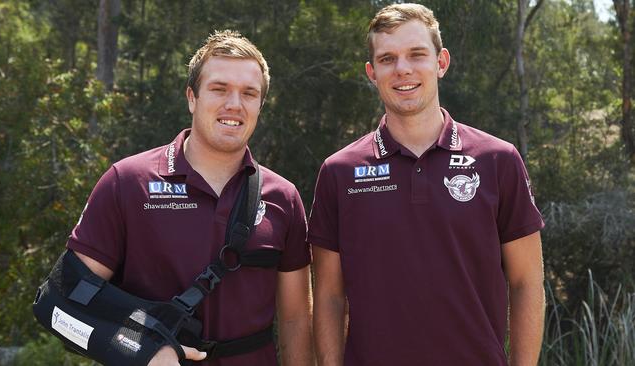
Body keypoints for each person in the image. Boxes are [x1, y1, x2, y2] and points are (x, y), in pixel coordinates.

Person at [309, 3, 545, 366]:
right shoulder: (339, 172)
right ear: (372, 72)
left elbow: (527, 282)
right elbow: (328, 296)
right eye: (387, 59)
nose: (402, 69)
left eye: (416, 54)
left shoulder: (499, 160)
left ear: (441, 62)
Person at [67, 30, 313, 365]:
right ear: (191, 97)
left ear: (260, 104)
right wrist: (139, 350)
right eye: (219, 89)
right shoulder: (127, 182)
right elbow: (62, 300)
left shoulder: (284, 198)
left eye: (249, 93)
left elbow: (295, 318)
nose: (234, 104)